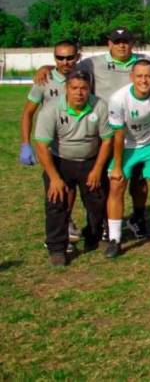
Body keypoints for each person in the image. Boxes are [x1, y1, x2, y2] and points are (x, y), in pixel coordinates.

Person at [37, 28, 150, 240]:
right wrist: (46, 68)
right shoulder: (92, 63)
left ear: (132, 43)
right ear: (109, 43)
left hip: (137, 132)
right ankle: (92, 224)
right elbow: (66, 66)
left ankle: (137, 218)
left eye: (126, 41)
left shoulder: (145, 60)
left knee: (138, 179)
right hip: (105, 131)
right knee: (104, 182)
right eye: (117, 41)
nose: (121, 45)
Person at [32, 70, 113, 265]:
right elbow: (42, 146)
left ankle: (94, 236)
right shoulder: (51, 109)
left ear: (89, 89)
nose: (79, 93)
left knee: (96, 201)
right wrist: (55, 178)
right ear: (66, 89)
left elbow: (107, 140)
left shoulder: (99, 106)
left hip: (90, 161)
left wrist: (97, 169)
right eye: (74, 88)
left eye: (83, 88)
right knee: (56, 202)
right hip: (60, 161)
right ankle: (57, 247)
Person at [105, 60, 150, 258]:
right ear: (131, 78)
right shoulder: (118, 99)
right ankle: (115, 239)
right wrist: (118, 166)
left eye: (148, 76)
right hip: (127, 146)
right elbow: (118, 136)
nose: (144, 80)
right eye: (139, 76)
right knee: (116, 185)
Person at [21, 41, 83, 243]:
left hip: (76, 143)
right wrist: (25, 143)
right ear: (54, 57)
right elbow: (28, 113)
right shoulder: (44, 81)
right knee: (56, 189)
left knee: (71, 187)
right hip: (52, 147)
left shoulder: (83, 77)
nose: (65, 62)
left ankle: (67, 220)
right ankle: (57, 233)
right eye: (60, 58)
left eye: (70, 57)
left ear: (78, 57)